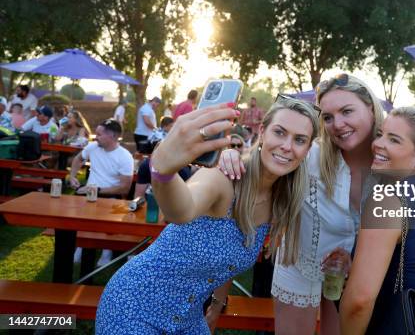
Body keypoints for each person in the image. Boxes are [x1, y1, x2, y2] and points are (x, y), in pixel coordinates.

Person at [96, 97, 318, 334]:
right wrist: (163, 171)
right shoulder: (223, 178)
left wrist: (217, 306)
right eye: (280, 132)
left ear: (307, 150)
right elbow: (181, 210)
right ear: (262, 132)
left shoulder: (280, 202)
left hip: (188, 318)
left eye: (299, 140)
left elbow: (229, 258)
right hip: (135, 305)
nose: (287, 146)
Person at [219, 74, 384, 335]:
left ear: (371, 109)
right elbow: (262, 164)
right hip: (299, 264)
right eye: (327, 117)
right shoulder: (312, 155)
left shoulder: (392, 161)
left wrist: (355, 260)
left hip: (355, 277)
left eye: (347, 111)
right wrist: (231, 155)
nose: (337, 124)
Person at [339, 106, 415, 334]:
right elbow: (414, 263)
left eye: (393, 140)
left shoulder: (388, 200)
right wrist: (356, 260)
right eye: (380, 134)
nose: (378, 144)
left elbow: (359, 301)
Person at [69, 119, 134, 266]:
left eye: (99, 134)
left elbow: (125, 188)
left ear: (113, 136)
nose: (95, 137)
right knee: (76, 214)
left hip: (111, 195)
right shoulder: (93, 147)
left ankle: (106, 251)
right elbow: (78, 159)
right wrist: (72, 176)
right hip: (90, 192)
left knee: (108, 215)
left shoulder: (125, 156)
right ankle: (80, 246)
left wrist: (96, 190)